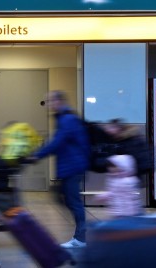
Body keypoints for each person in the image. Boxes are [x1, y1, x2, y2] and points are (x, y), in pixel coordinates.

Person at [28, 90, 89, 248]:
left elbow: (57, 142)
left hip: (73, 166)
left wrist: (37, 155)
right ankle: (82, 233)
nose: (47, 105)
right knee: (62, 197)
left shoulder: (67, 119)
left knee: (73, 202)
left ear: (58, 101)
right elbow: (57, 142)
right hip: (69, 166)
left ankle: (81, 237)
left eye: (49, 101)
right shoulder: (64, 118)